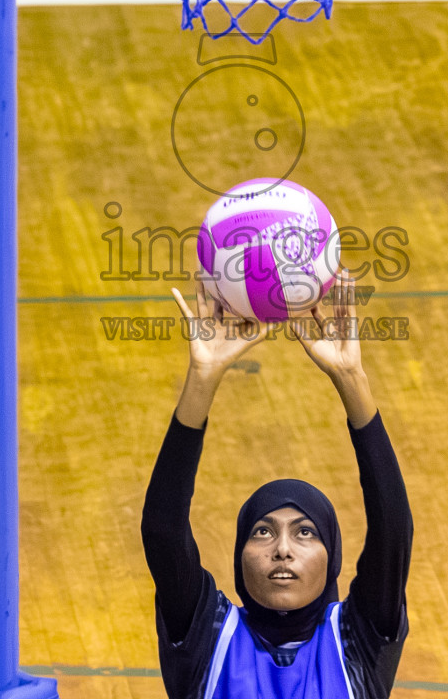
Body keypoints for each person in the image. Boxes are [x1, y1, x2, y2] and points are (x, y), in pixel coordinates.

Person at [141, 269, 413, 699]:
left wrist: (352, 379)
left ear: (332, 557)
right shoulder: (205, 638)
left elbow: (392, 530)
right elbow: (163, 529)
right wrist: (202, 378)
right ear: (239, 555)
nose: (281, 549)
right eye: (263, 531)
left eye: (305, 532)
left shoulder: (358, 640)